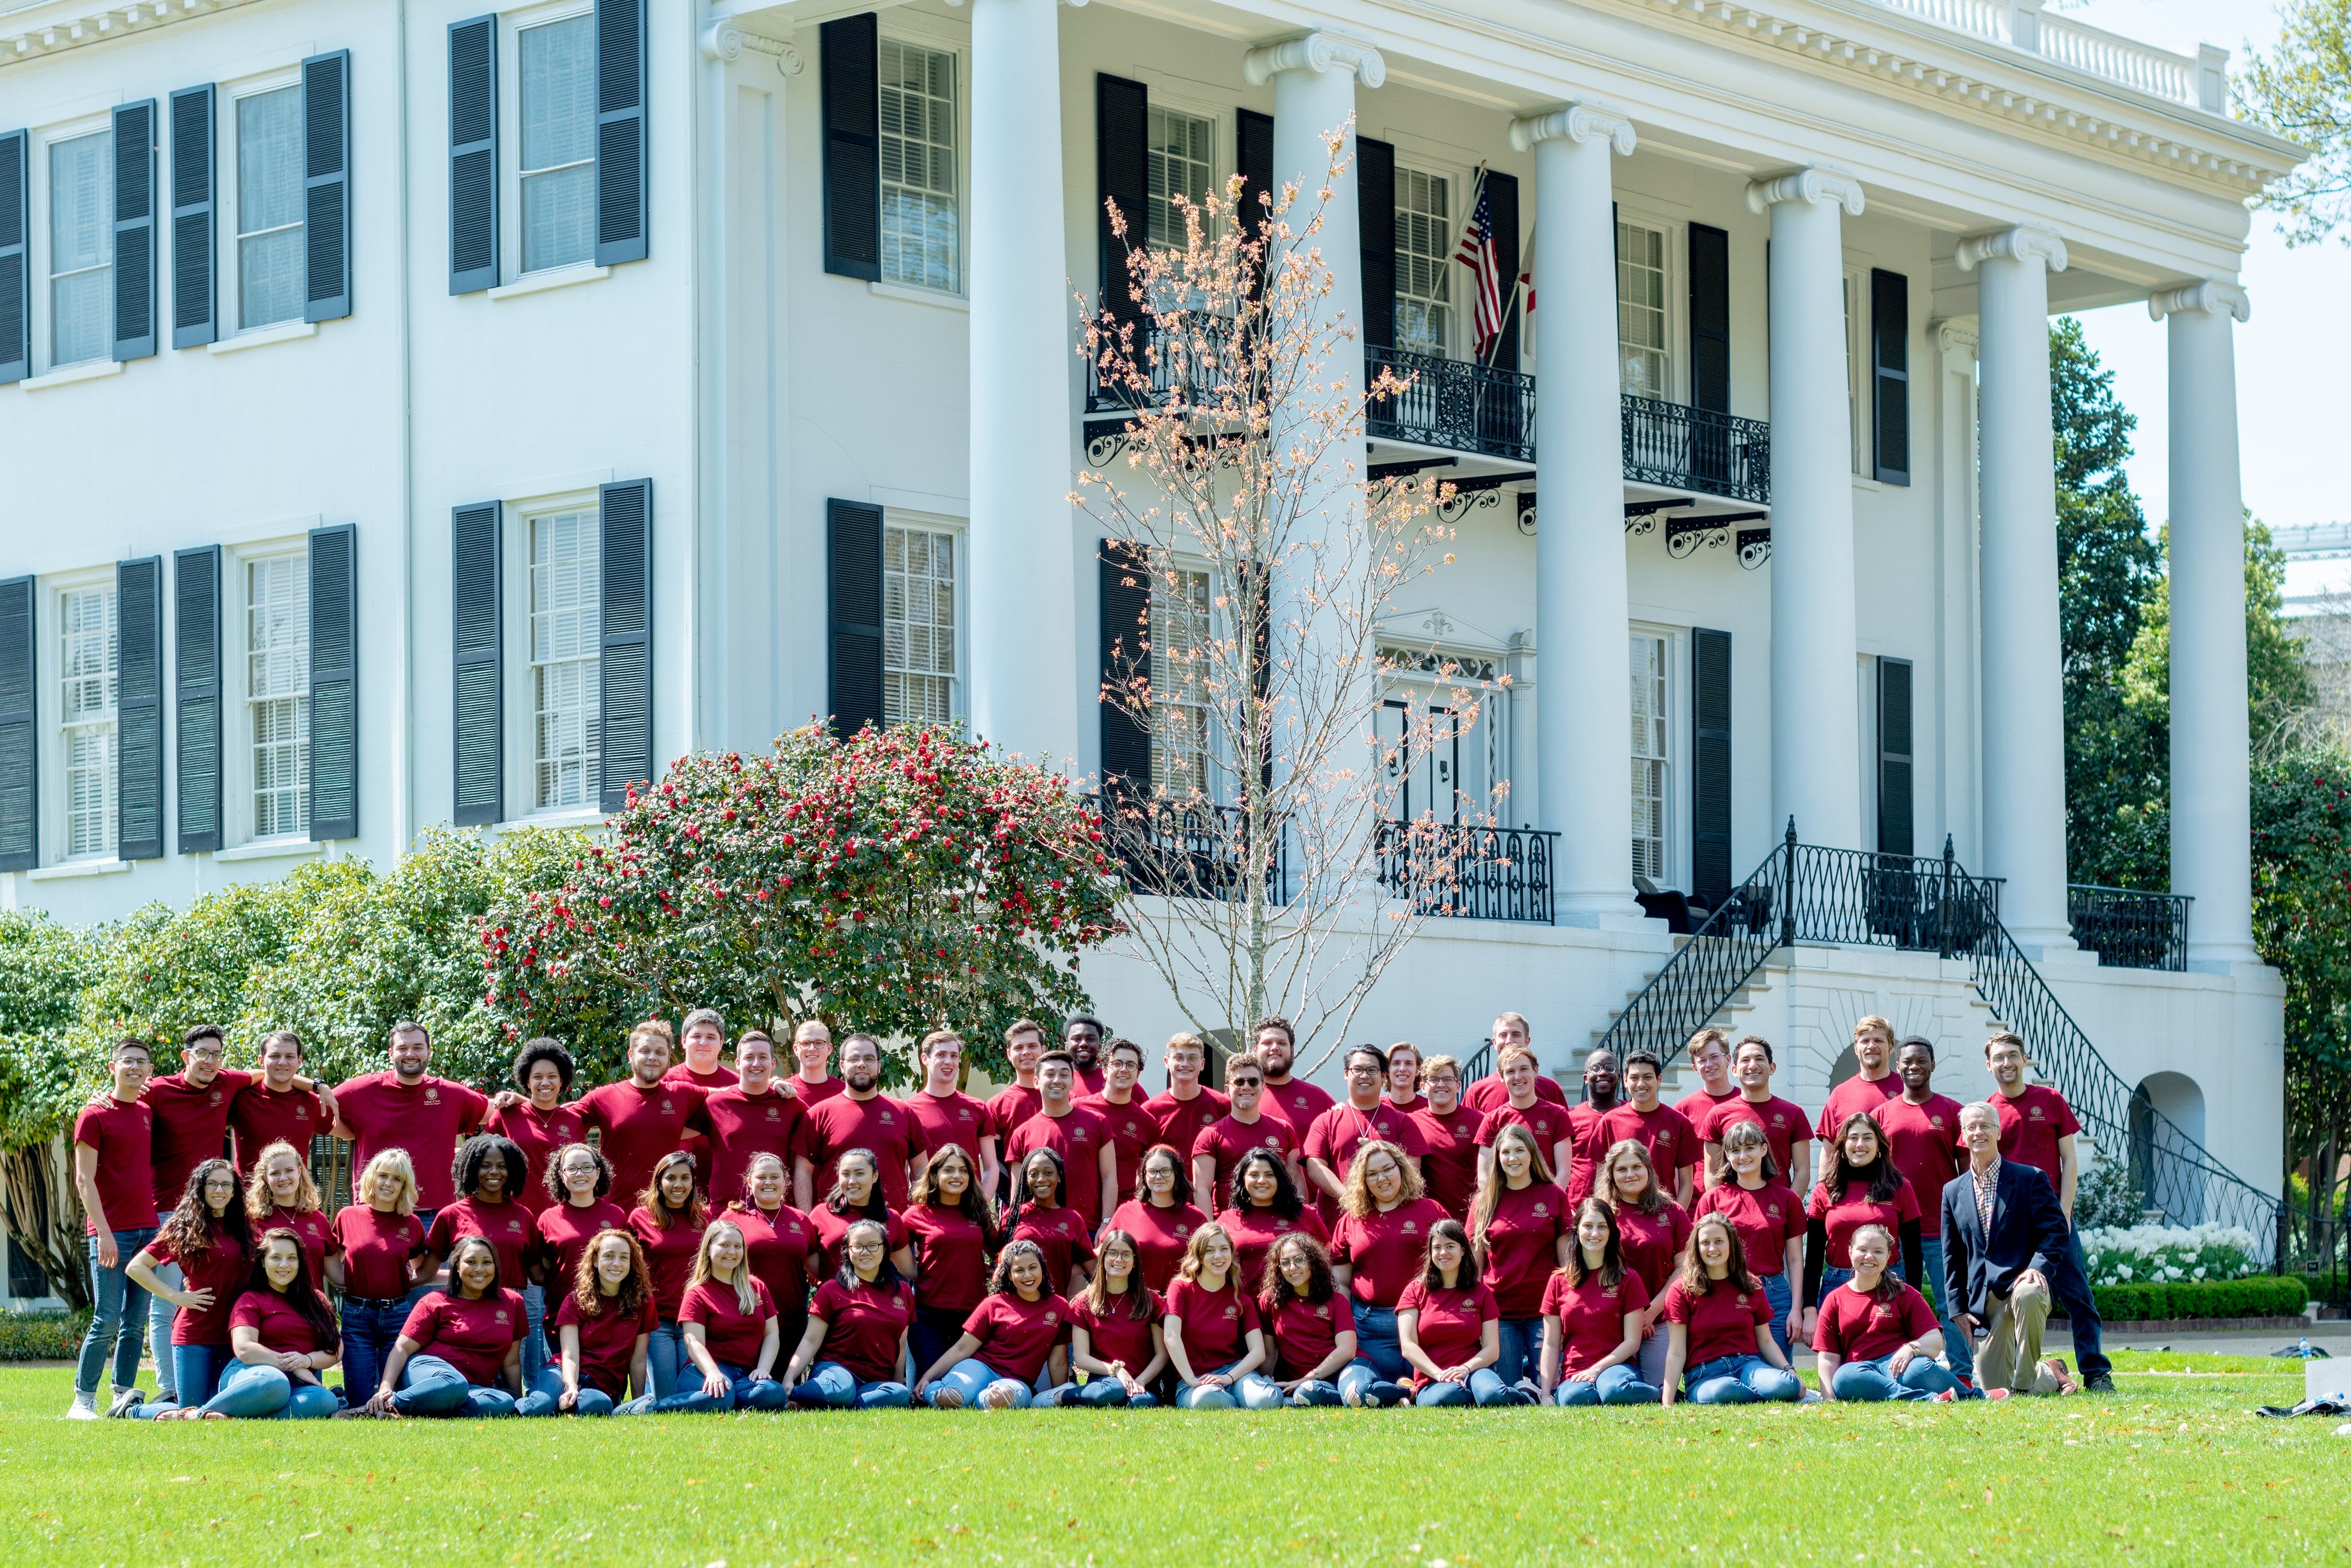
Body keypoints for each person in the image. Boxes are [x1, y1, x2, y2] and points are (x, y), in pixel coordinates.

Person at [144, 1024, 323, 1407]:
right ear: (185, 1056)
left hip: (223, 1208)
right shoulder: (159, 1089)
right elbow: (127, 1103)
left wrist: (318, 1085)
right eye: (201, 1054)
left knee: (231, 1287)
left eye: (216, 1054)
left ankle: (220, 1377)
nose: (209, 1061)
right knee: (170, 1303)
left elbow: (278, 1071)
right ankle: (169, 1386)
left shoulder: (228, 1085)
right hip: (171, 1209)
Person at [1984, 1030, 2111, 1392]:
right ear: (1989, 1065)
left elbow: (2069, 1160)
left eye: (2013, 1055)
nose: (2006, 1063)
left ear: (2024, 1060)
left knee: (2078, 1297)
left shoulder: (2051, 1100)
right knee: (2010, 1299)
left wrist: (2065, 1214)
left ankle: (2095, 1372)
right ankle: (2023, 1373)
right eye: (1999, 1057)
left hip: (2056, 1223)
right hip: (2011, 1227)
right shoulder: (1989, 1113)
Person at [1940, 1101, 2090, 1398]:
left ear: (1998, 1132)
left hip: (2025, 1287)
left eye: (1985, 1126)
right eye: (1971, 1127)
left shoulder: (2029, 1178)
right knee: (1995, 1387)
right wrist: (1957, 1309)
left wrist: (2037, 1268)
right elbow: (1952, 1256)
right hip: (1986, 1301)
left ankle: (2023, 1388)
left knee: (2029, 1293)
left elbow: (2057, 1230)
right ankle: (2051, 1372)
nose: (1978, 1132)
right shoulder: (1952, 1191)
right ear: (1963, 1135)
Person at [1874, 1037, 1972, 1381]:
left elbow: (1967, 1175)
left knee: (1951, 1306)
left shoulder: (1951, 1112)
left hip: (1942, 1230)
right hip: (1894, 1233)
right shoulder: (1881, 1116)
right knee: (1895, 1306)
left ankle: (1961, 1375)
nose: (1914, 1067)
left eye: (1921, 1061)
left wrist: (1965, 1223)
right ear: (1897, 1067)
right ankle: (1900, 1373)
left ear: (1933, 1066)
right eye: (1907, 1062)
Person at [124, 1159, 254, 1418]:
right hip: (194, 1335)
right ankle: (132, 1410)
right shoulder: (184, 1227)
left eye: (226, 1185)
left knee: (219, 1408)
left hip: (234, 1334)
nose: (220, 1190)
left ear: (234, 1191)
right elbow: (136, 1267)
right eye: (213, 1184)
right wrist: (176, 1296)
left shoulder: (245, 1228)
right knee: (191, 1411)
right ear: (201, 1188)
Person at [68, 1039, 156, 1419]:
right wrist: (102, 1232)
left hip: (147, 1231)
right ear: (112, 1067)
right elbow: (83, 1179)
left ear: (149, 1070)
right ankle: (82, 1401)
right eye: (128, 1062)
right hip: (111, 1232)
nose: (135, 1068)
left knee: (136, 1322)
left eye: (142, 1063)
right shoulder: (93, 1115)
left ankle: (122, 1396)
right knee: (106, 1319)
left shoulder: (146, 1111)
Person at [1328, 1139, 1449, 1406]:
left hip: (1424, 1323)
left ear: (1402, 1169)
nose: (1381, 1178)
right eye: (1372, 1174)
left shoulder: (1430, 1210)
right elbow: (1342, 1283)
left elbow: (1451, 1267)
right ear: (1363, 1180)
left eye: (1387, 1169)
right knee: (1360, 1392)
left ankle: (1406, 1392)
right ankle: (1397, 1393)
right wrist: (1347, 1326)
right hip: (1370, 1327)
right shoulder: (1351, 1219)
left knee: (1438, 1392)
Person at [330, 1020, 486, 1227]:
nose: (410, 1054)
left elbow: (496, 1116)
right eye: (402, 1048)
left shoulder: (449, 1094)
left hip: (434, 1217)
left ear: (429, 1052)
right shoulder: (361, 1090)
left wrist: (469, 1151)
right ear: (390, 1053)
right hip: (375, 1214)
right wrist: (346, 1132)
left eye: (418, 1048)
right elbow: (317, 1110)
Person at [360, 1234, 524, 1417]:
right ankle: (387, 1405)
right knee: (453, 1384)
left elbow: (511, 1362)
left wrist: (519, 1401)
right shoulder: (435, 1301)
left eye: (487, 1262)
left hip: (471, 1387)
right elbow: (402, 1349)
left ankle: (417, 1411)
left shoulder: (512, 1303)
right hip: (428, 1371)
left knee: (504, 1402)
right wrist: (386, 1386)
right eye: (471, 1262)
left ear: (496, 1266)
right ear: (457, 1266)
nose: (480, 1269)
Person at [192, 1227, 343, 1419]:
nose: (284, 1265)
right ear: (263, 1261)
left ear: (300, 1262)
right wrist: (294, 1366)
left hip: (296, 1386)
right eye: (276, 1257)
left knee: (326, 1400)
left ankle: (235, 1418)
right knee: (276, 1382)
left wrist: (308, 1360)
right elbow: (245, 1349)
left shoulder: (317, 1300)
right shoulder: (250, 1299)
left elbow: (336, 1349)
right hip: (252, 1377)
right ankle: (198, 1414)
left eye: (291, 1258)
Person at [1801, 1112, 1923, 1341]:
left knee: (1891, 1355)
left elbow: (1914, 1252)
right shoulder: (1825, 1190)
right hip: (1838, 1283)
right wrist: (1809, 1308)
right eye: (1853, 1137)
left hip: (1890, 1281)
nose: (1860, 1144)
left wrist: (1915, 1302)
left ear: (1879, 1145)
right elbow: (1815, 1255)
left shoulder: (1900, 1187)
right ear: (1842, 1145)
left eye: (1868, 1138)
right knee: (1838, 1358)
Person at [647, 1218, 791, 1411]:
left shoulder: (756, 1287)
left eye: (738, 1246)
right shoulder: (697, 1293)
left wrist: (763, 1369)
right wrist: (712, 1372)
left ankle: (725, 1400)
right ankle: (651, 1408)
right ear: (708, 1248)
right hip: (701, 1371)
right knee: (721, 1394)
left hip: (743, 1376)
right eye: (724, 1245)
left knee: (773, 1392)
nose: (732, 1252)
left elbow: (771, 1333)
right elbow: (693, 1342)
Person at [1468, 1123, 1570, 1392]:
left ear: (1532, 1154)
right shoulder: (1484, 1201)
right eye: (1505, 1152)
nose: (1512, 1158)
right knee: (1508, 1392)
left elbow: (1567, 1263)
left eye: (1520, 1150)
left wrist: (1567, 1304)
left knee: (1548, 1390)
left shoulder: (1553, 1195)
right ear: (1497, 1158)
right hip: (1500, 1314)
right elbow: (1474, 1265)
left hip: (1544, 1313)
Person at [1659, 1212, 1801, 1406]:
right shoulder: (1681, 1290)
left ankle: (1754, 1392)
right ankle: (1751, 1394)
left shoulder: (1751, 1285)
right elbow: (1676, 1352)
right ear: (1696, 1247)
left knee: (1786, 1385)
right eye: (1705, 1242)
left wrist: (1789, 1371)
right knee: (1726, 1391)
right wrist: (1667, 1403)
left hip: (1748, 1366)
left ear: (1731, 1244)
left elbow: (1766, 1341)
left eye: (1719, 1241)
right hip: (1704, 1374)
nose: (1712, 1248)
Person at [424, 1135, 541, 1364]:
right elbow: (427, 1273)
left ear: (513, 1170)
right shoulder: (451, 1215)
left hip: (508, 1310)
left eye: (502, 1166)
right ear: (471, 1169)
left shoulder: (524, 1216)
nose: (494, 1172)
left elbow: (537, 1273)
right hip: (464, 1309)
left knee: (511, 1370)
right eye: (485, 1166)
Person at [915, 1239, 1070, 1410]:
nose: (1028, 1275)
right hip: (980, 1368)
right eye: (1019, 1270)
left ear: (1043, 1269)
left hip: (1016, 1382)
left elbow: (1058, 1362)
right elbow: (962, 1349)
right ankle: (939, 1391)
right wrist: (927, 1378)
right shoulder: (993, 1303)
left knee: (1000, 1400)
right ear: (1010, 1275)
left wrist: (1059, 1395)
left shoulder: (1060, 1307)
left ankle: (976, 1399)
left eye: (1033, 1268)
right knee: (949, 1399)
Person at [574, 1019, 715, 1207]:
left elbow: (729, 1094)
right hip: (616, 1212)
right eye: (645, 1051)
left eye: (660, 1052)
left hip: (664, 1213)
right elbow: (557, 1118)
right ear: (631, 1055)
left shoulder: (682, 1093)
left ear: (669, 1056)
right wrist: (523, 1102)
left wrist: (767, 1085)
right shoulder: (603, 1097)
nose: (653, 1057)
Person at [1693, 1120, 1805, 1355]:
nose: (1743, 1156)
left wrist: (1797, 1308)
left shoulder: (1787, 1199)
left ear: (1764, 1150)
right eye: (1735, 1151)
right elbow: (1698, 1257)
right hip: (1726, 1290)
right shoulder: (1713, 1200)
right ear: (1727, 1156)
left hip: (1774, 1294)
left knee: (1779, 1380)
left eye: (1750, 1148)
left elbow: (1795, 1260)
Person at [1814, 1222, 1960, 1402]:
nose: (1869, 1256)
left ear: (1889, 1256)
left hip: (1901, 1367)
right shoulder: (1834, 1299)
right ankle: (1926, 1399)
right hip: (1861, 1373)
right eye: (1862, 1249)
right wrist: (1829, 1397)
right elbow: (1828, 1355)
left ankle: (1975, 1395)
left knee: (1919, 1369)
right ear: (1851, 1252)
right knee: (1844, 1377)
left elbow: (1935, 1341)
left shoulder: (1906, 1294)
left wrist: (1911, 1348)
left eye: (1878, 1251)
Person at [329, 1149, 429, 1408]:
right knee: (359, 1401)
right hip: (358, 1315)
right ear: (371, 1178)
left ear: (405, 1186)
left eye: (397, 1179)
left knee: (391, 1399)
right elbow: (332, 1261)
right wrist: (350, 1281)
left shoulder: (413, 1223)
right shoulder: (348, 1217)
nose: (388, 1183)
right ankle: (342, 1401)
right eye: (383, 1176)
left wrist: (406, 1282)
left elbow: (421, 1270)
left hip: (398, 1315)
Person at [517, 1227, 653, 1416]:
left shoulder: (642, 1302)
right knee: (538, 1407)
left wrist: (639, 1403)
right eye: (609, 1256)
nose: (616, 1263)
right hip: (563, 1372)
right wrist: (571, 1386)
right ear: (596, 1261)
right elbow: (570, 1355)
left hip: (603, 1385)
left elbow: (638, 1360)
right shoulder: (575, 1301)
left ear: (632, 1263)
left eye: (624, 1257)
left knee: (597, 1405)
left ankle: (562, 1409)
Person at [1537, 1199, 1659, 1406]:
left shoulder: (1628, 1279)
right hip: (1575, 1372)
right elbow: (1550, 1343)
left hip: (1617, 1367)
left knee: (1613, 1390)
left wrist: (1597, 1370)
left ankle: (1666, 1395)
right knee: (1572, 1399)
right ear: (1577, 1230)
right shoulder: (1558, 1281)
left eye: (1602, 1227)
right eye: (1588, 1226)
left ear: (1611, 1232)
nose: (1595, 1233)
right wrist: (1546, 1394)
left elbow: (1632, 1342)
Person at [783, 1218, 915, 1408]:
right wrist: (789, 1378)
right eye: (858, 1246)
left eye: (873, 1246)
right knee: (842, 1387)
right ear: (848, 1250)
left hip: (875, 1381)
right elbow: (810, 1341)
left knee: (900, 1394)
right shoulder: (831, 1290)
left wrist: (895, 1384)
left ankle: (841, 1401)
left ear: (885, 1249)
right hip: (834, 1372)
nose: (865, 1252)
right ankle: (796, 1395)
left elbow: (900, 1347)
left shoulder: (902, 1292)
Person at [797, 1033, 932, 1210]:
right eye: (854, 1059)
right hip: (836, 1227)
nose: (862, 1064)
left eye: (869, 1059)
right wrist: (807, 1221)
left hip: (893, 1228)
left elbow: (921, 1169)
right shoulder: (818, 1114)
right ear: (842, 1066)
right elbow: (803, 1171)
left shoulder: (904, 1113)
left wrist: (919, 1220)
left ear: (879, 1065)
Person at [1600, 1138, 1690, 1391]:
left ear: (1649, 1170)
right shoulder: (1601, 1212)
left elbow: (1684, 1268)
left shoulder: (1672, 1211)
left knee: (1655, 1390)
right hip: (1610, 1322)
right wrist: (1632, 1319)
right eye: (1622, 1169)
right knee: (1615, 1389)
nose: (1630, 1174)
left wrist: (1649, 1312)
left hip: (1658, 1320)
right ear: (1611, 1174)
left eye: (1636, 1167)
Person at [903, 1145, 998, 1381]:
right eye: (949, 1170)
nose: (957, 1176)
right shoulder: (917, 1214)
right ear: (935, 1174)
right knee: (928, 1389)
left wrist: (992, 1271)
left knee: (965, 1385)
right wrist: (913, 1272)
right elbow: (893, 1250)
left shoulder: (978, 1213)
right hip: (928, 1316)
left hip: (973, 1315)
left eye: (963, 1170)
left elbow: (1001, 1251)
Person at [1304, 1045, 1427, 1225]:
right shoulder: (1326, 1120)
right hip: (1337, 1224)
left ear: (1384, 1076)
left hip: (1389, 1223)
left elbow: (1411, 1170)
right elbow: (1315, 1166)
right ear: (1346, 1074)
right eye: (1358, 1069)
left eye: (1372, 1070)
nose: (1364, 1076)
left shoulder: (1403, 1122)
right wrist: (1349, 1198)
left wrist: (1380, 1200)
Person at [1163, 1222, 1281, 1409]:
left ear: (1232, 1254)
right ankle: (1239, 1405)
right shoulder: (1180, 1289)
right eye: (1210, 1251)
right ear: (1199, 1256)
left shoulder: (1240, 1298)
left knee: (1268, 1399)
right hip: (1194, 1381)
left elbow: (1258, 1351)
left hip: (1234, 1375)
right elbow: (1171, 1337)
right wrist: (1192, 1381)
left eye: (1224, 1249)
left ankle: (1245, 1399)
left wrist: (1228, 1378)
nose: (1218, 1256)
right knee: (1206, 1398)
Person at [1397, 1218, 1511, 1406]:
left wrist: (1466, 1368)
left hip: (1474, 1372)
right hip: (1433, 1380)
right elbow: (1408, 1346)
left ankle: (1525, 1395)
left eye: (1450, 1246)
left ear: (1463, 1250)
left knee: (1493, 1395)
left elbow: (1492, 1349)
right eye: (1437, 1247)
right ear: (1430, 1251)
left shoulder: (1481, 1293)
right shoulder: (1415, 1291)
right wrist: (1438, 1374)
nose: (1443, 1253)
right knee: (1448, 1397)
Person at [1004, 1049, 1117, 1229]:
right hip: (1040, 1231)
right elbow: (1017, 1194)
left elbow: (1109, 1176)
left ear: (1072, 1082)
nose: (1057, 1080)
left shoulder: (1098, 1123)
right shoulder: (1021, 1134)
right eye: (1050, 1074)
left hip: (1089, 1231)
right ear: (1036, 1082)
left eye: (1064, 1075)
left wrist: (1107, 1223)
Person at [629, 1149, 708, 1398]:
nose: (678, 1185)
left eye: (685, 1178)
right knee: (667, 1397)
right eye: (671, 1178)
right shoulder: (640, 1218)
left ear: (693, 1182)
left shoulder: (705, 1219)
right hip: (657, 1321)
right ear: (659, 1182)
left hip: (694, 1321)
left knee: (690, 1393)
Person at [1056, 1228, 1165, 1407]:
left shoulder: (1151, 1301)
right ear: (1103, 1258)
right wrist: (1117, 1371)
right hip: (1104, 1381)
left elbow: (1162, 1354)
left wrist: (1142, 1381)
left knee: (1140, 1403)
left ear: (1135, 1262)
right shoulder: (1083, 1302)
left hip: (1142, 1383)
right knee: (1113, 1390)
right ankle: (1062, 1396)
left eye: (1126, 1255)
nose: (1119, 1260)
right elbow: (1081, 1358)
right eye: (1112, 1253)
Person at [699, 1028, 806, 1209]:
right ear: (738, 1063)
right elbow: (674, 1130)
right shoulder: (715, 1104)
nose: (756, 1064)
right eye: (749, 1058)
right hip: (726, 1213)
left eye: (763, 1057)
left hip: (776, 1212)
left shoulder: (790, 1104)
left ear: (773, 1064)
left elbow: (818, 1138)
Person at [1258, 1232, 1370, 1406]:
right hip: (1311, 1384)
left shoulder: (1336, 1300)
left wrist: (1308, 1377)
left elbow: (1347, 1351)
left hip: (1349, 1368)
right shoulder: (1270, 1301)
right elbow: (1270, 1352)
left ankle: (1404, 1392)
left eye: (1299, 1260)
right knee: (1307, 1393)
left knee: (1356, 1391)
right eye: (1285, 1263)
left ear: (1312, 1261)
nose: (1292, 1267)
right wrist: (1265, 1381)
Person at [724, 1151, 815, 1359]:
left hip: (792, 1319)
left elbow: (815, 1268)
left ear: (786, 1181)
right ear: (749, 1182)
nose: (768, 1183)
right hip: (746, 1316)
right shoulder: (732, 1218)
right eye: (761, 1177)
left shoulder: (800, 1219)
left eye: (775, 1177)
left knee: (787, 1387)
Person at [484, 1038, 585, 1218]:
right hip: (512, 1215)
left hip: (562, 1216)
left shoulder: (573, 1121)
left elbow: (580, 1169)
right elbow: (478, 1155)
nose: (545, 1082)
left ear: (562, 1081)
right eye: (538, 1077)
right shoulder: (508, 1115)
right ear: (528, 1082)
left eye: (552, 1077)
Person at [1699, 1037, 1813, 1196]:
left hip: (1778, 1213)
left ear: (1772, 1068)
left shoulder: (1793, 1113)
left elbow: (1802, 1171)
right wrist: (1723, 1212)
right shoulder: (1718, 1114)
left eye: (1759, 1059)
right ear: (1734, 1070)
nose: (1752, 1066)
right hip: (1732, 1213)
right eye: (1745, 1060)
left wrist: (1789, 1208)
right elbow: (1712, 1173)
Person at [1190, 1050, 1301, 1207]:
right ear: (1228, 1089)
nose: (1246, 1087)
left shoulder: (1284, 1129)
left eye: (1253, 1082)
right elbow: (1201, 1190)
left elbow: (1296, 1182)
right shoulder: (1210, 1135)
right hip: (1230, 1225)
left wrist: (1298, 1220)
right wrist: (1211, 1231)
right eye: (1240, 1082)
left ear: (1263, 1087)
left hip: (1279, 1222)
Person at [901, 1030, 1000, 1198]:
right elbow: (903, 1169)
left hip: (970, 1210)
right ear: (925, 1059)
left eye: (954, 1056)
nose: (949, 1061)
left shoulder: (977, 1108)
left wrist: (981, 1206)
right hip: (927, 1207)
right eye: (941, 1055)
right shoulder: (907, 1110)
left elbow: (991, 1167)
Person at [1216, 1147, 1330, 1291]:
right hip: (1242, 1307)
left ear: (1280, 1179)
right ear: (1243, 1179)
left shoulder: (1305, 1214)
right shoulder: (1227, 1219)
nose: (1262, 1180)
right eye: (1254, 1175)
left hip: (1295, 1309)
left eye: (1270, 1175)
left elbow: (1327, 1259)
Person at [1596, 1050, 1699, 1207]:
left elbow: (1686, 1183)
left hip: (1662, 1214)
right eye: (1634, 1078)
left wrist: (1676, 1219)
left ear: (1659, 1080)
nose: (1641, 1084)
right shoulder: (1609, 1122)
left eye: (1648, 1077)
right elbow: (1601, 1178)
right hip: (1621, 1216)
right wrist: (1606, 1216)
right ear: (1625, 1080)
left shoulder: (1678, 1122)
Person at [1106, 1144, 1209, 1292]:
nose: (1158, 1177)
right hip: (1136, 1303)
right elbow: (1103, 1255)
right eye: (1152, 1172)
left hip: (1181, 1304)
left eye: (1165, 1171)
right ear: (1144, 1175)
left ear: (1177, 1174)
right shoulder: (1126, 1212)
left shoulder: (1196, 1218)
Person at [536, 1143, 631, 1302]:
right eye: (571, 1168)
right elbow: (541, 1268)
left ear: (598, 1172)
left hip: (608, 1313)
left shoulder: (616, 1215)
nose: (579, 1174)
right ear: (561, 1175)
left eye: (587, 1167)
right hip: (560, 1311)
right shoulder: (548, 1218)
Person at [1472, 1044, 1573, 1192]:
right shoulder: (1492, 1120)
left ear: (1536, 1071)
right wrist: (1504, 1204)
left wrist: (1546, 1205)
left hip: (1546, 1207)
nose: (1518, 1077)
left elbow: (1563, 1174)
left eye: (1524, 1069)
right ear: (1501, 1077)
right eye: (1510, 1072)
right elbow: (1484, 1177)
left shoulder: (1557, 1115)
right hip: (1506, 1207)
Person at [226, 1030, 328, 1175]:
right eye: (275, 1056)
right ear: (261, 1061)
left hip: (297, 1196)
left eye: (289, 1057)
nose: (282, 1062)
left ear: (299, 1061)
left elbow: (345, 1130)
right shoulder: (241, 1098)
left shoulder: (311, 1102)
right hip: (248, 1196)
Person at [808, 1148, 915, 1280]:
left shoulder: (891, 1219)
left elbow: (910, 1271)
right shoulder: (821, 1214)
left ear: (875, 1176)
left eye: (859, 1174)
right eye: (846, 1174)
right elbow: (808, 1260)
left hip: (878, 1299)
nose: (852, 1181)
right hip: (834, 1298)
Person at [1078, 1037, 1158, 1205]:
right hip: (1081, 1210)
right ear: (1105, 1069)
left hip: (1124, 1212)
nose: (1124, 1069)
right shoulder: (1079, 1109)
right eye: (1117, 1064)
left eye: (1131, 1065)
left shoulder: (1146, 1122)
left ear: (1138, 1074)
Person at [242, 1139, 332, 1285]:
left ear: (299, 1171)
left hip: (310, 1306)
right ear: (266, 1178)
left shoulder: (318, 1219)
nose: (283, 1178)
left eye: (289, 1170)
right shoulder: (252, 1220)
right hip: (267, 1306)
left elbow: (338, 1276)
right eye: (276, 1173)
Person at [1008, 1147, 1096, 1295]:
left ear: (1059, 1177)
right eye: (1034, 1174)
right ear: (1026, 1179)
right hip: (1016, 1310)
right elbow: (997, 1254)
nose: (1041, 1179)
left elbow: (1093, 1270)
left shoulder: (1072, 1220)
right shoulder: (1014, 1216)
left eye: (1048, 1173)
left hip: (1054, 1310)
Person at [1408, 1054, 1482, 1220]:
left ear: (1458, 1086)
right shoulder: (1411, 1123)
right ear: (1423, 1087)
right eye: (1434, 1079)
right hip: (1428, 1221)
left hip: (1472, 1219)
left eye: (1448, 1079)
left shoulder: (1479, 1121)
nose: (1441, 1084)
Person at [1813, 1014, 1902, 1148]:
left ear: (1891, 1048)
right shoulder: (1840, 1094)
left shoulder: (1906, 1090)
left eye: (1878, 1041)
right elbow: (1829, 1152)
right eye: (1865, 1041)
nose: (1871, 1046)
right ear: (1856, 1048)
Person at [1145, 1032, 1229, 1165]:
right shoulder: (1150, 1110)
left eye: (1192, 1058)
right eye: (1179, 1057)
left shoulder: (1223, 1105)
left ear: (1202, 1064)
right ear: (1167, 1062)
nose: (1185, 1064)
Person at [1462, 1013, 1568, 1112]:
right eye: (1503, 1035)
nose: (1509, 1041)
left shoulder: (1550, 1088)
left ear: (1527, 1042)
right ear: (1494, 1043)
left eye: (1516, 1035)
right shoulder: (1476, 1092)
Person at [1254, 1016, 1336, 1133]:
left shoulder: (1319, 1099)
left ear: (1292, 1050)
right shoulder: (1239, 1097)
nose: (1274, 1048)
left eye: (1282, 1043)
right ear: (1255, 1050)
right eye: (1267, 1043)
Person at [1563, 1049, 1622, 1205]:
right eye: (1595, 1069)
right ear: (1585, 1079)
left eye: (1610, 1068)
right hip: (1577, 1208)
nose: (1602, 1073)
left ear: (1619, 1077)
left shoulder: (1630, 1115)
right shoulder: (1569, 1118)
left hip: (1622, 1207)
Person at [987, 1019, 1049, 1153]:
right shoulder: (996, 1106)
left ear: (1043, 1050)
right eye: (1019, 1048)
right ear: (1009, 1054)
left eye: (1032, 1046)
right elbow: (996, 1162)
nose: (1026, 1052)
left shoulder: (1066, 1098)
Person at [1673, 1029, 1740, 1145]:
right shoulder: (1683, 1109)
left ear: (1728, 1059)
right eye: (1702, 1060)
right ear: (1695, 1068)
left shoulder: (1745, 1100)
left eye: (1714, 1057)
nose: (1709, 1065)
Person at [667, 1007, 739, 1091]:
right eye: (697, 1036)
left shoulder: (739, 1086)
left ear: (721, 1043)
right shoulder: (663, 1083)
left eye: (710, 1037)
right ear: (684, 1041)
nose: (703, 1042)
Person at [787, 1019, 845, 1104]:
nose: (812, 1049)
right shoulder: (784, 1091)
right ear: (796, 1049)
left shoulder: (845, 1091)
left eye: (819, 1043)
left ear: (829, 1049)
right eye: (805, 1043)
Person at [1063, 1014, 1109, 1096]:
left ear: (1100, 1046)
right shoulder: (1055, 1081)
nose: (1083, 1044)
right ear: (1066, 1046)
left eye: (1091, 1039)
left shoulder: (1114, 1080)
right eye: (1077, 1039)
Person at [1383, 1042, 1426, 1116]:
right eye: (1396, 1063)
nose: (1402, 1069)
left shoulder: (1429, 1108)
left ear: (1418, 1070)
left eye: (1409, 1063)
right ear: (1387, 1070)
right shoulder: (1376, 1108)